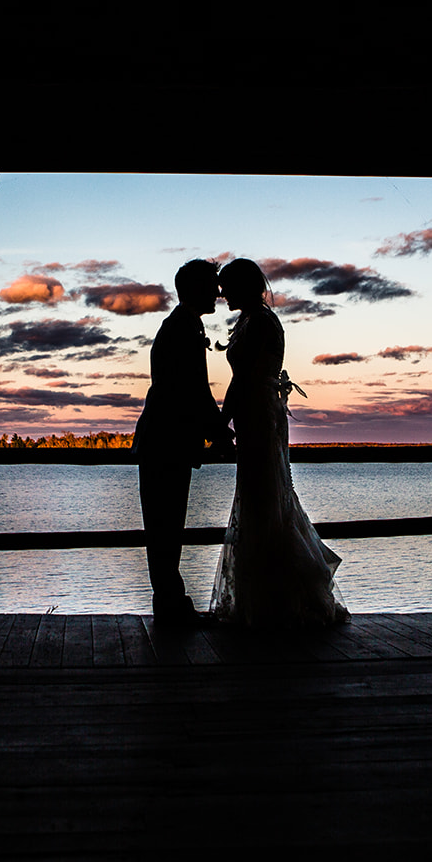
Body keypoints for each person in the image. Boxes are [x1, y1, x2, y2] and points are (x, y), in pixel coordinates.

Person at [210, 258, 349, 628]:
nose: (222, 294)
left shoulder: (259, 323)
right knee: (263, 499)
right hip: (256, 414)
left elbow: (242, 381)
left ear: (244, 286)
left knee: (264, 500)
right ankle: (273, 598)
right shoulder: (257, 320)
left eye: (227, 286)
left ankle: (273, 602)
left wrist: (220, 425)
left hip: (257, 415)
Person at [132, 259, 235, 623]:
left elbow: (190, 391)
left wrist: (217, 431)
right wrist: (221, 434)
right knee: (165, 525)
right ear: (194, 289)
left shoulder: (181, 325)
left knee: (165, 526)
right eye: (212, 286)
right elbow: (192, 391)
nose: (218, 293)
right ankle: (170, 606)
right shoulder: (182, 328)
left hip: (163, 439)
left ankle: (170, 603)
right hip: (167, 441)